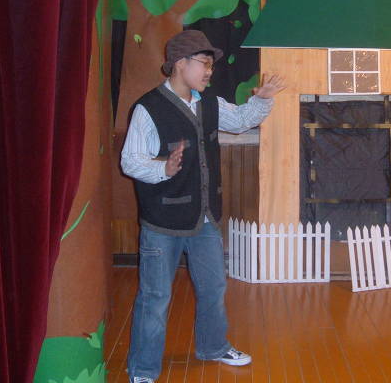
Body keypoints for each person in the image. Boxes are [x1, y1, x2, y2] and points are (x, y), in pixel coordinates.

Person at [121, 30, 285, 383]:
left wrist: (262, 100)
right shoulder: (147, 108)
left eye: (211, 65)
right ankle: (143, 370)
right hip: (162, 222)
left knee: (213, 289)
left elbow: (240, 121)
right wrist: (162, 168)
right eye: (204, 63)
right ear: (180, 63)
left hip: (205, 219)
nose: (210, 71)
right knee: (155, 298)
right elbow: (130, 161)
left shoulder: (210, 103)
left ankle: (213, 347)